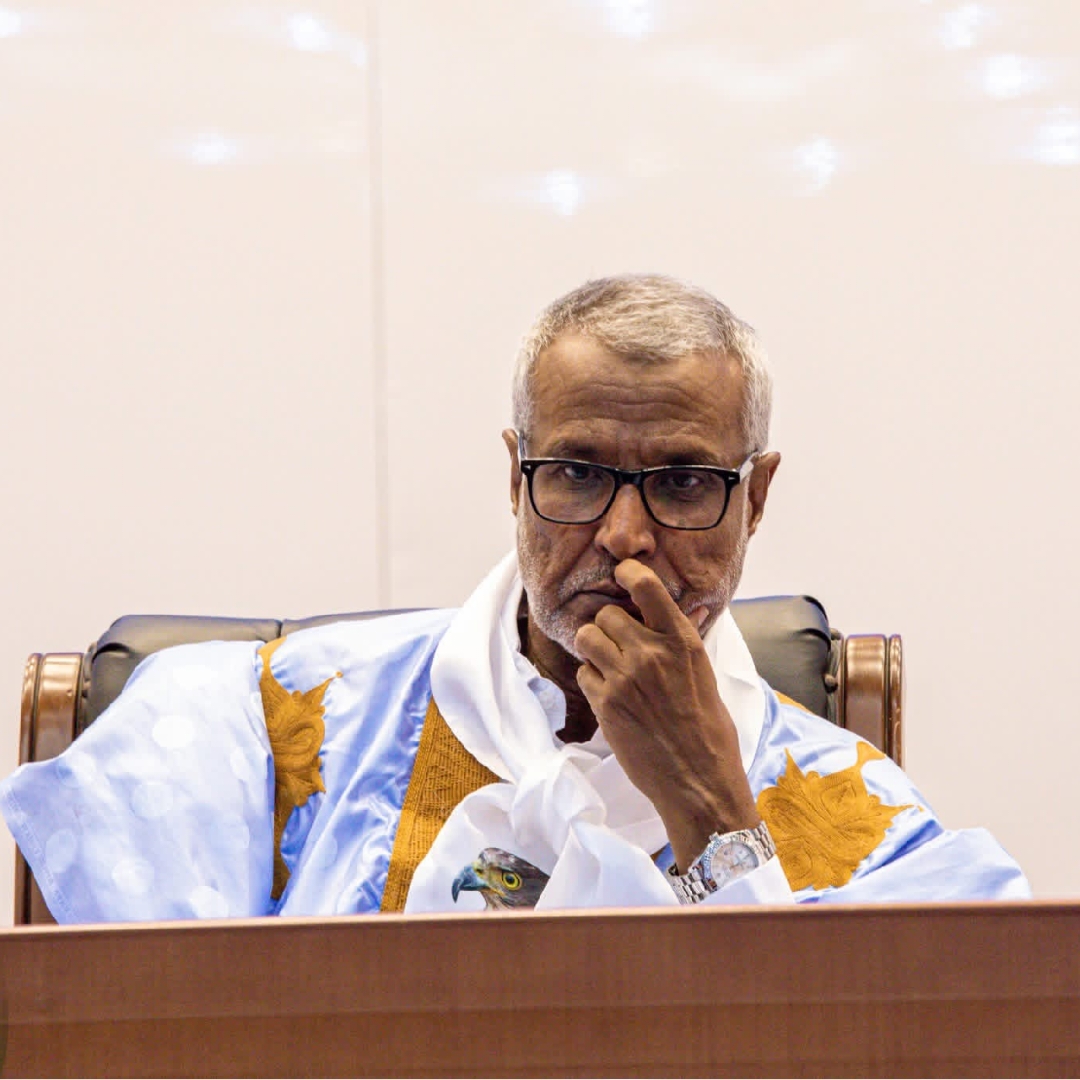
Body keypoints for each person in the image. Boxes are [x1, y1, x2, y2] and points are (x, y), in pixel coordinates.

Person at [1, 274, 1028, 921]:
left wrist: (714, 816)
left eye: (681, 483)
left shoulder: (860, 818)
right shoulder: (272, 728)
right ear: (513, 477)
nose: (623, 536)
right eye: (576, 473)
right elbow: (144, 1022)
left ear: (753, 501)